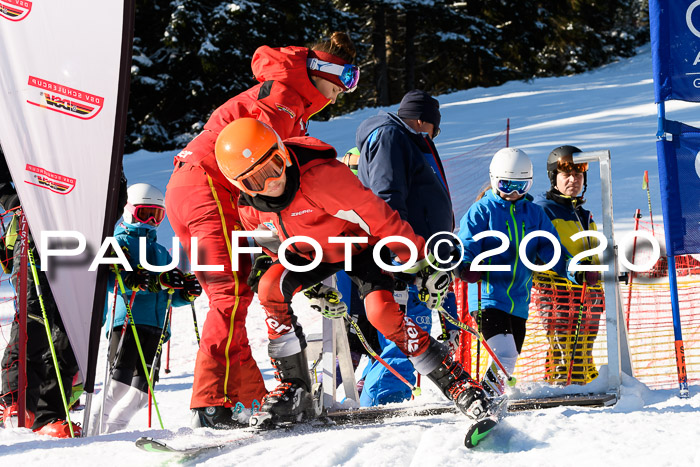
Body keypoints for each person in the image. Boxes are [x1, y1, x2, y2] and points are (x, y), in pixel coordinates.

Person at [215, 117, 490, 426]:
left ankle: (454, 381)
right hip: (312, 253)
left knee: (381, 314)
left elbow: (380, 217)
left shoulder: (322, 177)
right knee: (269, 287)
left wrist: (421, 262)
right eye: (256, 181)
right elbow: (274, 248)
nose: (272, 182)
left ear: (282, 151)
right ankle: (294, 387)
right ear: (242, 185)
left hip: (360, 246)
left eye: (275, 165)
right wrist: (312, 288)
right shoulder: (250, 207)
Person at [165, 32, 360, 429]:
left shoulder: (287, 98)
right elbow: (275, 193)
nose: (343, 93)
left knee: (236, 293)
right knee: (228, 296)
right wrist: (303, 264)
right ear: (324, 69)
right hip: (209, 189)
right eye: (346, 79)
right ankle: (212, 403)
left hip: (190, 190)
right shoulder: (284, 102)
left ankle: (246, 398)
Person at [0, 150, 127, 437]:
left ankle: (49, 415)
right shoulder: (29, 117)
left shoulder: (93, 138)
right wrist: (13, 200)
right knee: (35, 318)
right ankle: (14, 402)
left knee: (70, 330)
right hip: (34, 235)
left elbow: (115, 194)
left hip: (82, 240)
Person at [455, 147, 598, 398]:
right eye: (506, 184)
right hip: (488, 297)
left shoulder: (534, 214)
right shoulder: (482, 211)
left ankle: (490, 397)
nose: (513, 193)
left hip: (519, 301)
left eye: (520, 186)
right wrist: (465, 265)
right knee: (505, 355)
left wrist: (576, 271)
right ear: (493, 180)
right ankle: (483, 399)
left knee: (508, 359)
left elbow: (551, 250)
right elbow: (466, 243)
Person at [354, 90, 460, 406]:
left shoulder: (402, 138)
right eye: (434, 130)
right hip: (405, 260)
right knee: (409, 332)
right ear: (421, 120)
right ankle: (383, 401)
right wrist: (398, 255)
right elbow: (387, 197)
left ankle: (382, 395)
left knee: (401, 333)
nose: (433, 138)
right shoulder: (390, 136)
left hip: (414, 255)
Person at [89, 183, 201, 433]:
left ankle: (112, 434)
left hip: (157, 326)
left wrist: (186, 293)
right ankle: (90, 432)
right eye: (144, 213)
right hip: (128, 320)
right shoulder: (119, 244)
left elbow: (168, 294)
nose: (151, 220)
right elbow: (114, 282)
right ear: (129, 211)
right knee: (118, 386)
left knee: (142, 394)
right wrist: (153, 281)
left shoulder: (161, 252)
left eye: (157, 215)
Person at [535, 145, 603, 385]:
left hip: (588, 294)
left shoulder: (584, 215)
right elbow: (541, 251)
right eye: (566, 174)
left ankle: (584, 387)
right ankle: (561, 390)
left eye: (578, 174)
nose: (573, 179)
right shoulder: (543, 210)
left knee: (583, 349)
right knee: (564, 349)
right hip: (557, 294)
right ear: (555, 178)